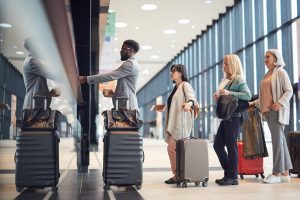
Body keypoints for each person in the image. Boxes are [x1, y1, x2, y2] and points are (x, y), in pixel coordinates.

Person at [249, 49, 293, 184]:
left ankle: (277, 173)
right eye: (264, 57)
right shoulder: (268, 74)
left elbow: (289, 91)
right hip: (268, 112)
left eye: (268, 57)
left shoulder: (280, 72)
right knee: (281, 141)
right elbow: (265, 97)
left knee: (277, 142)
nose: (265, 59)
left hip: (276, 111)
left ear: (275, 58)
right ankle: (285, 173)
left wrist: (279, 103)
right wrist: (254, 103)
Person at [156, 64, 199, 184]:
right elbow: (175, 103)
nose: (171, 73)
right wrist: (164, 108)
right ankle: (178, 174)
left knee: (172, 148)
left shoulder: (185, 85)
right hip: (175, 122)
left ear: (180, 73)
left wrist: (189, 104)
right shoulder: (176, 87)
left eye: (173, 71)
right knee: (175, 149)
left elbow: (191, 98)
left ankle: (178, 175)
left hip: (181, 122)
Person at [213, 54, 251, 186]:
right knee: (217, 145)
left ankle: (233, 176)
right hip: (226, 117)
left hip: (235, 117)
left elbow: (247, 95)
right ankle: (229, 173)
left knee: (231, 145)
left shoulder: (238, 79)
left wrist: (229, 93)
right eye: (223, 63)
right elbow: (226, 100)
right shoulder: (226, 80)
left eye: (226, 63)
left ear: (233, 65)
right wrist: (218, 97)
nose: (223, 66)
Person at [80, 39, 140, 110]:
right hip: (127, 107)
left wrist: (85, 79)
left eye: (123, 49)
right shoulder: (133, 64)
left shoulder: (130, 64)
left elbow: (110, 76)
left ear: (129, 50)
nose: (120, 51)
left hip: (127, 109)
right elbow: (127, 88)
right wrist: (114, 94)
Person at [22, 37, 60, 109]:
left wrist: (49, 93)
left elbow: (36, 86)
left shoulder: (30, 60)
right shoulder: (32, 61)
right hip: (34, 105)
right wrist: (67, 77)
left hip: (35, 104)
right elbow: (51, 74)